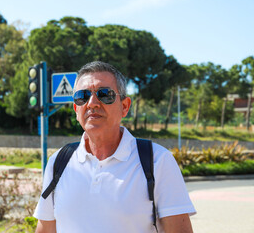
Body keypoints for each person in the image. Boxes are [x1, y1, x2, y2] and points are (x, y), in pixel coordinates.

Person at [34, 61, 196, 233]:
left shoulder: (158, 161)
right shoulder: (58, 162)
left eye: (105, 94)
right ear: (76, 109)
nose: (92, 103)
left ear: (124, 106)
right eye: (83, 96)